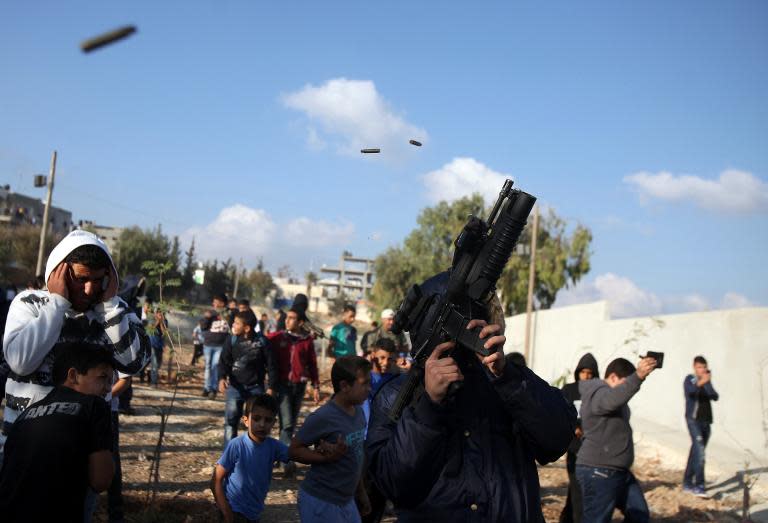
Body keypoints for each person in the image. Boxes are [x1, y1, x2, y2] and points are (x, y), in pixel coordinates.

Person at [366, 272, 575, 522]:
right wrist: (429, 406)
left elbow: (557, 439)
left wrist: (508, 378)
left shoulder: (506, 380)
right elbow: (391, 482)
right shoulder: (396, 395)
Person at [2, 230, 149, 454]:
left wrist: (109, 309)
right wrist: (57, 304)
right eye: (81, 279)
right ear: (58, 273)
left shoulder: (116, 311)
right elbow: (21, 362)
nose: (90, 289)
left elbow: (133, 363)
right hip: (25, 447)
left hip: (84, 454)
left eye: (98, 280)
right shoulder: (29, 303)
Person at [0, 342, 115, 522]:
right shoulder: (94, 406)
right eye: (102, 377)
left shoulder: (24, 417)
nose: (108, 388)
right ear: (73, 375)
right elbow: (101, 480)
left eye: (110, 381)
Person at [576, 357, 658, 523]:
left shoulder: (609, 395)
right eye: (624, 383)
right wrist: (638, 376)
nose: (626, 389)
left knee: (639, 515)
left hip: (618, 471)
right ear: (613, 377)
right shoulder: (597, 391)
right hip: (599, 471)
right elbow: (610, 400)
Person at [292, 356, 372, 523]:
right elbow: (294, 450)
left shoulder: (359, 413)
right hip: (321, 501)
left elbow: (356, 457)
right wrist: (324, 457)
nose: (369, 388)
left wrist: (361, 493)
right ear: (344, 386)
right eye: (364, 383)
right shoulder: (324, 417)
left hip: (346, 501)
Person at [267, 307, 320, 478]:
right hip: (281, 386)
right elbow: (263, 348)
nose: (287, 320)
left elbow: (312, 364)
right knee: (288, 424)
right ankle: (286, 461)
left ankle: (277, 454)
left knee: (287, 425)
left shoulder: (306, 341)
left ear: (300, 322)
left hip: (299, 386)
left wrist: (316, 385)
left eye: (291, 318)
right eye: (286, 317)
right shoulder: (277, 337)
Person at [218, 310, 277, 445]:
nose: (233, 325)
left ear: (247, 328)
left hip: (256, 388)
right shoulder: (231, 340)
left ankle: (253, 452)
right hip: (235, 387)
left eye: (237, 323)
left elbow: (272, 366)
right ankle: (230, 455)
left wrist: (271, 387)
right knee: (230, 422)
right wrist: (221, 378)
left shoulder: (262, 342)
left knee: (255, 423)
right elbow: (224, 361)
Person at [559, 353, 600, 523]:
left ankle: (567, 518)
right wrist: (572, 427)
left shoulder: (599, 392)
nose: (586, 376)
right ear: (578, 372)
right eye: (583, 372)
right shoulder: (569, 390)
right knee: (578, 490)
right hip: (575, 450)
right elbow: (559, 413)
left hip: (592, 450)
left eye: (590, 373)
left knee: (578, 490)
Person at [683, 355, 719, 497]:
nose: (702, 369)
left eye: (704, 367)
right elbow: (690, 391)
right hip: (693, 420)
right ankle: (699, 485)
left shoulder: (707, 381)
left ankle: (687, 482)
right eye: (699, 367)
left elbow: (715, 396)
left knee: (696, 452)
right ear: (694, 367)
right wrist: (700, 382)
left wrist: (707, 383)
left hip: (706, 421)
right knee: (701, 453)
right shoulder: (690, 379)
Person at [202, 294, 230, 398]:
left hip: (221, 345)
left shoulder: (229, 314)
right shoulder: (211, 313)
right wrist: (206, 317)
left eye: (216, 302)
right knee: (208, 367)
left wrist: (226, 317)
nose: (214, 304)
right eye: (213, 302)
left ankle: (213, 389)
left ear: (222, 303)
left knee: (215, 367)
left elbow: (232, 326)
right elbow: (203, 327)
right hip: (208, 344)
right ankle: (206, 387)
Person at [147, 309, 167, 386]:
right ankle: (153, 382)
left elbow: (164, 333)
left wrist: (161, 323)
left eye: (162, 314)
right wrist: (158, 321)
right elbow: (151, 329)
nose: (160, 315)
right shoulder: (152, 320)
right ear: (156, 314)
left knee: (159, 364)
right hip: (152, 344)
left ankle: (150, 373)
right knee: (154, 364)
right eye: (159, 314)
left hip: (160, 345)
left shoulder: (165, 321)